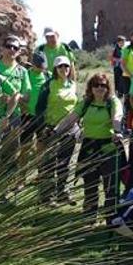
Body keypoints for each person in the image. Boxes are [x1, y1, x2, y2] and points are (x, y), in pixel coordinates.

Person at [57, 73, 124, 219]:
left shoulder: (112, 102)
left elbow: (117, 116)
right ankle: (89, 216)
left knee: (110, 185)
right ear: (91, 88)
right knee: (90, 184)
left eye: (103, 85)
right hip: (89, 148)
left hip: (108, 147)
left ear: (108, 88)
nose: (100, 88)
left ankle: (112, 218)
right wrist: (55, 131)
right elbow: (71, 118)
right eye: (96, 85)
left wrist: (117, 130)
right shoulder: (86, 102)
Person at [36, 55, 79, 205]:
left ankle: (62, 193)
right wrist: (41, 128)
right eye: (60, 66)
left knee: (65, 163)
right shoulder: (48, 85)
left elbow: (77, 106)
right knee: (48, 164)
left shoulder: (73, 84)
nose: (64, 69)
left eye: (66, 66)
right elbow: (39, 108)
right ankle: (46, 197)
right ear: (55, 69)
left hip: (70, 129)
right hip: (50, 128)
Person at [0, 36, 31, 134]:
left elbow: (27, 97)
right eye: (8, 46)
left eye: (15, 48)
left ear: (19, 52)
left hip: (14, 117)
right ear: (2, 48)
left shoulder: (22, 71)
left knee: (11, 148)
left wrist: (14, 98)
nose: (12, 49)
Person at [21, 51, 50, 143]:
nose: (41, 69)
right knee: (25, 143)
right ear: (33, 64)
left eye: (43, 66)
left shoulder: (49, 76)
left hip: (43, 116)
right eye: (38, 66)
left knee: (42, 143)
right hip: (27, 115)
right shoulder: (25, 74)